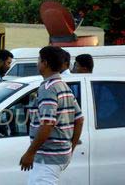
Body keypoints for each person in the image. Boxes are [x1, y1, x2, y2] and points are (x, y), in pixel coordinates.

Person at [20, 46, 84, 185]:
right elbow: (79, 119)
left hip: (48, 158)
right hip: (59, 155)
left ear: (45, 63)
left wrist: (30, 153)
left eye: (38, 60)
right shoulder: (63, 86)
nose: (37, 63)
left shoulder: (48, 89)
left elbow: (47, 124)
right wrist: (70, 148)